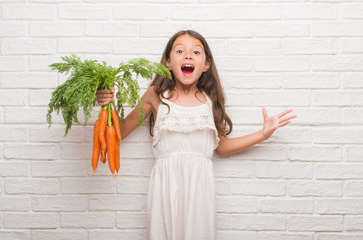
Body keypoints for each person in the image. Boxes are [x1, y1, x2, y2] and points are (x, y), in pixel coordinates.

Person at [96, 30, 296, 240]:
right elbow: (119, 133)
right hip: (165, 187)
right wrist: (109, 105)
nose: (188, 56)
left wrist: (263, 134)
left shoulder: (210, 100)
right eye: (180, 51)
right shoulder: (155, 95)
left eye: (196, 52)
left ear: (206, 64)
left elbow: (223, 148)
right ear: (168, 63)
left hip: (200, 188)